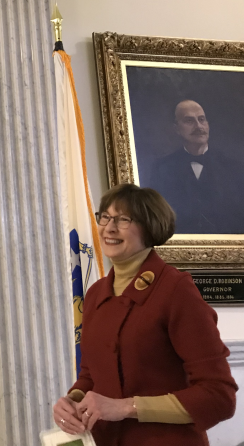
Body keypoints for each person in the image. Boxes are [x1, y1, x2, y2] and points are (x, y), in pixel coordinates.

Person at [53, 183, 237, 446]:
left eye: (123, 219)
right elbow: (90, 375)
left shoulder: (175, 290)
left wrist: (125, 407)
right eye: (104, 217)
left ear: (150, 226)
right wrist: (72, 400)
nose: (109, 227)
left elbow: (219, 397)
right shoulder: (95, 294)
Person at [148, 100, 244, 233]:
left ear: (208, 125)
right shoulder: (162, 169)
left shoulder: (234, 168)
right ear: (176, 128)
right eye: (189, 121)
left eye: (202, 119)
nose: (198, 126)